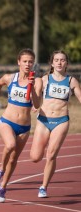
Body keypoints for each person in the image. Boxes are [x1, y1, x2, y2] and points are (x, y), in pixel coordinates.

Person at [0, 48, 41, 203]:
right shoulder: (10, 78)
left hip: (24, 126)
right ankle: (0, 170)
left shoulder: (36, 81)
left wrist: (33, 87)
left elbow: (36, 104)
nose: (27, 64)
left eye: (30, 61)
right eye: (25, 61)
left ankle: (3, 187)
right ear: (18, 62)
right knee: (10, 145)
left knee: (14, 158)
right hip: (7, 121)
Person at [30, 50, 81, 198]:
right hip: (44, 120)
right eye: (56, 60)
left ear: (66, 63)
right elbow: (36, 99)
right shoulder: (44, 79)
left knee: (51, 155)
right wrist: (35, 103)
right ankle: (43, 147)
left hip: (61, 121)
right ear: (52, 63)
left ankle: (43, 186)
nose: (59, 62)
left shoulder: (71, 81)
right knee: (35, 157)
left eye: (62, 60)